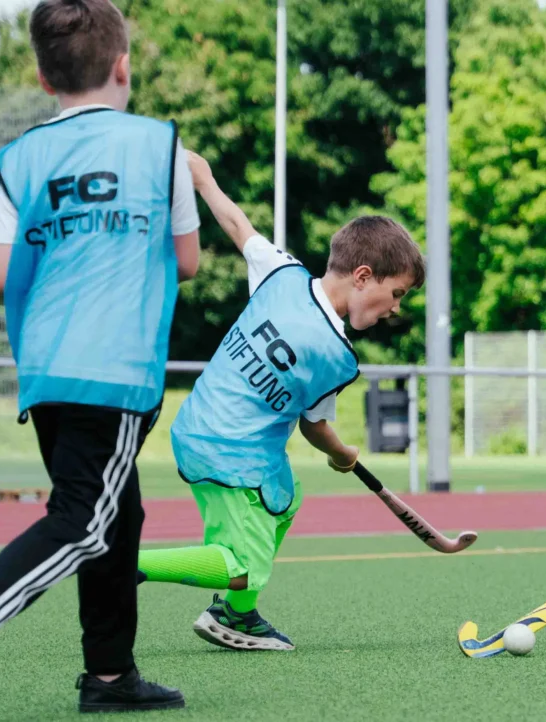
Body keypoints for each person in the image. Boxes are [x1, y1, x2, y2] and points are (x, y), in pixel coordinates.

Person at [0, 1, 199, 718]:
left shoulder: (21, 157)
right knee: (85, 520)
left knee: (117, 513)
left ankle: (109, 677)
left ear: (42, 78)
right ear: (123, 64)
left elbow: (2, 277)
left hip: (47, 369)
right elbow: (187, 262)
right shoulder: (160, 148)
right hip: (116, 367)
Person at [137, 152, 425, 651]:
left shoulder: (282, 273)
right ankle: (124, 563)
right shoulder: (339, 358)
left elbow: (235, 222)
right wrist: (343, 455)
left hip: (207, 432)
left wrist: (203, 177)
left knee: (285, 498)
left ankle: (234, 616)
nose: (395, 309)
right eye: (395, 293)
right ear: (362, 276)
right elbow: (315, 428)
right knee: (240, 565)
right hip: (231, 450)